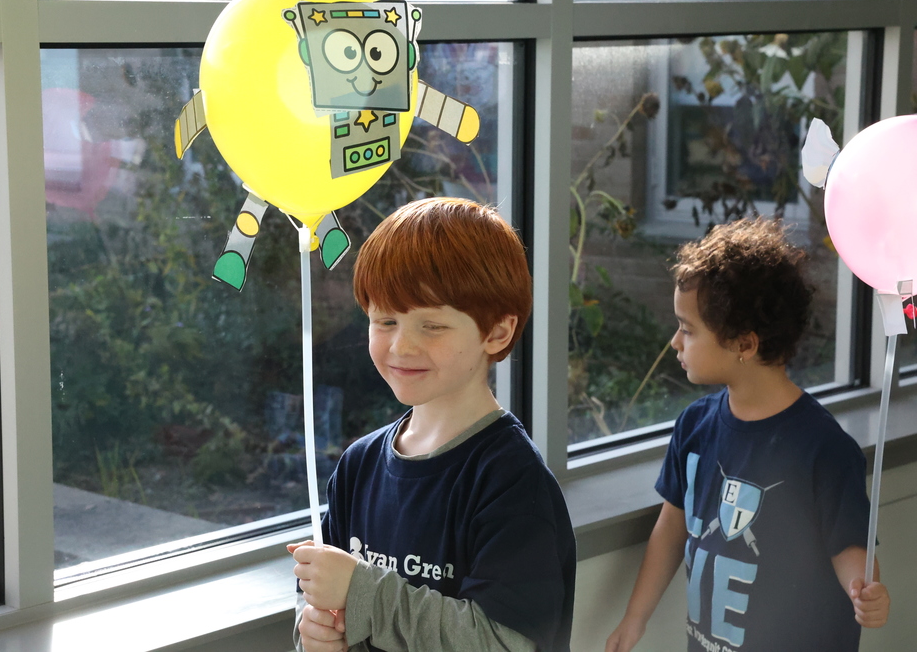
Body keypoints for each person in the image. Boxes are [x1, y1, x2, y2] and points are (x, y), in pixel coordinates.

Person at [288, 197, 577, 652]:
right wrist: (315, 634)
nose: (401, 346)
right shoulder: (358, 466)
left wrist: (362, 592)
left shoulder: (512, 482)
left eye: (433, 326)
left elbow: (504, 643)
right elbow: (326, 606)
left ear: (497, 333)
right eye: (385, 320)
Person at [605, 218, 891, 652]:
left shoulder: (824, 449)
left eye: (688, 328)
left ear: (744, 344)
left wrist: (866, 591)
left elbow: (849, 546)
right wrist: (634, 617)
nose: (674, 343)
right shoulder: (693, 427)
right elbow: (671, 528)